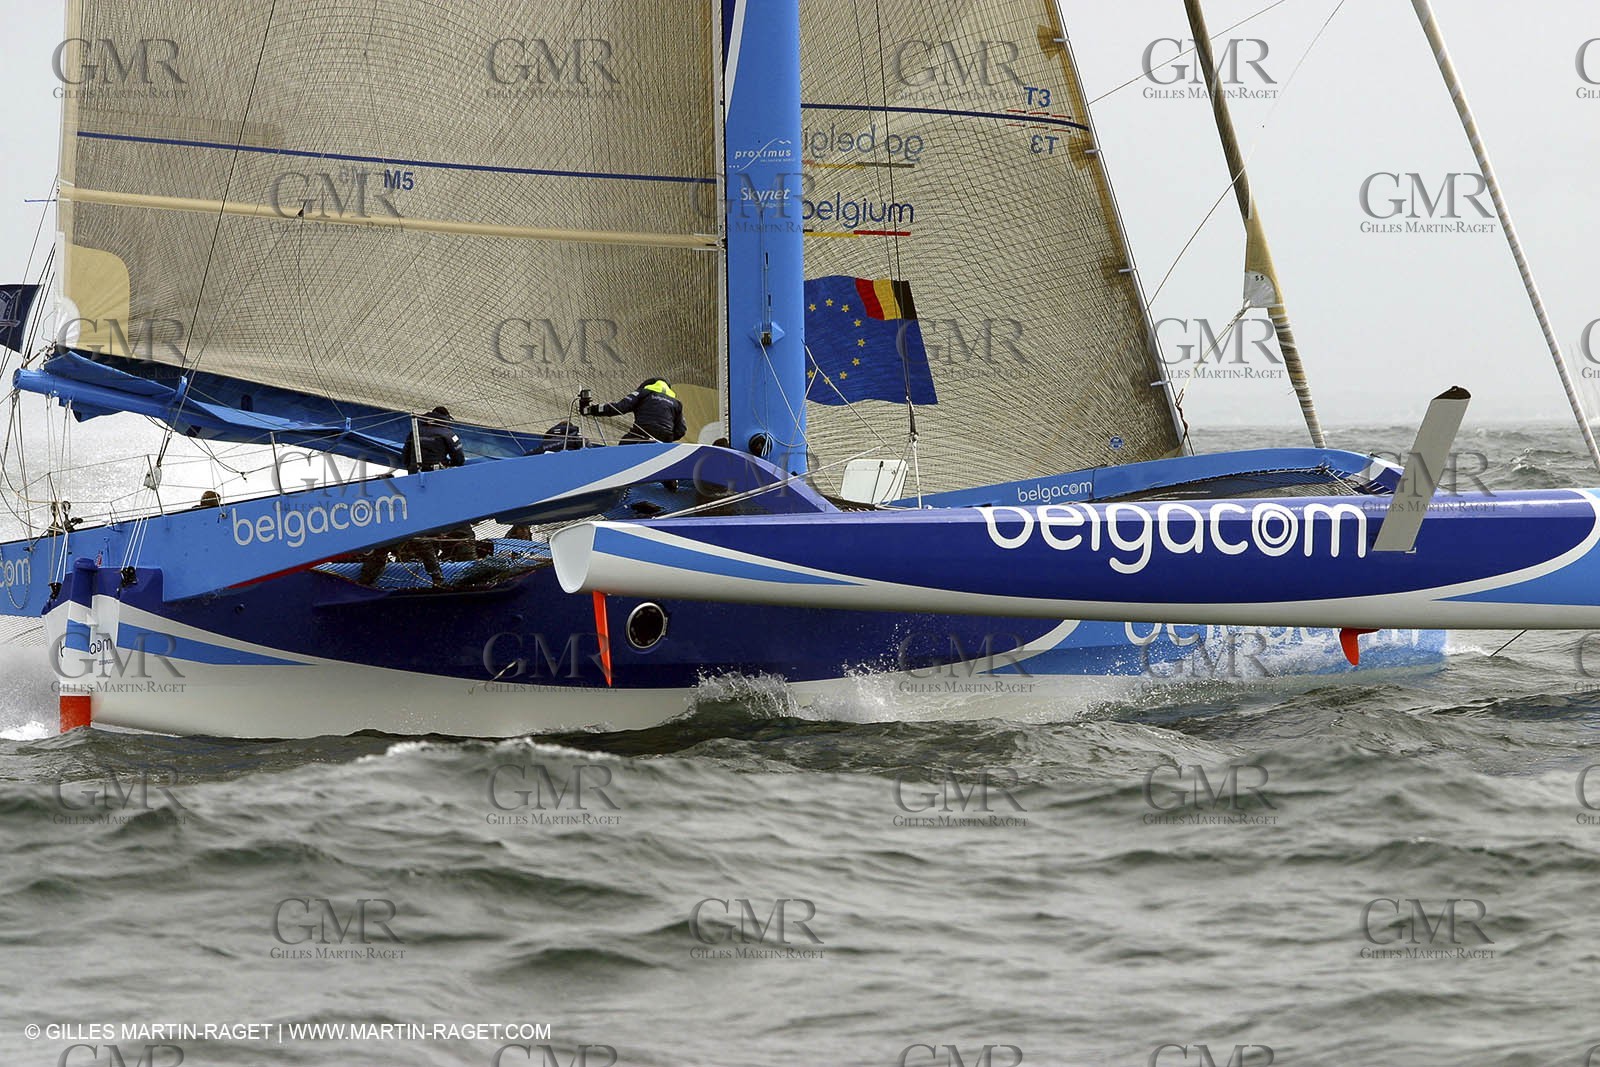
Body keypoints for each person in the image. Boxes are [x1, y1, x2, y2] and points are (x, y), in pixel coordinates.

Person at [582, 378, 686, 444]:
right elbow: (681, 430)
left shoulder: (643, 392)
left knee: (624, 445)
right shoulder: (676, 403)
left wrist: (592, 409)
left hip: (642, 433)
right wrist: (665, 438)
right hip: (664, 438)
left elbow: (619, 407)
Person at [401, 406, 466, 473]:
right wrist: (453, 465)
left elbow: (405, 453)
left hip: (414, 471)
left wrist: (411, 467)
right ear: (446, 417)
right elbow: (459, 457)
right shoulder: (448, 433)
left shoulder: (415, 431)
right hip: (437, 472)